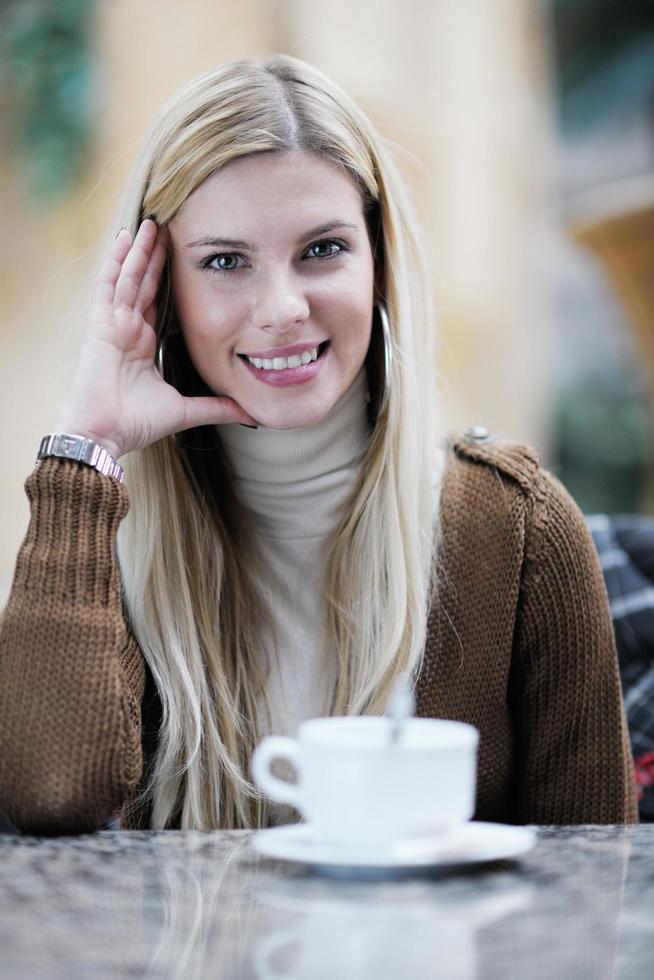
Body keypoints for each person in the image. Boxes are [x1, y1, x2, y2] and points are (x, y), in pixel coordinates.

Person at [0, 54, 637, 834]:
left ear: (379, 264)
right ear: (163, 292)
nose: (281, 308)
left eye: (322, 249)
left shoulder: (518, 532)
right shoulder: (104, 540)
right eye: (226, 262)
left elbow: (596, 887)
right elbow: (48, 797)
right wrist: (88, 441)